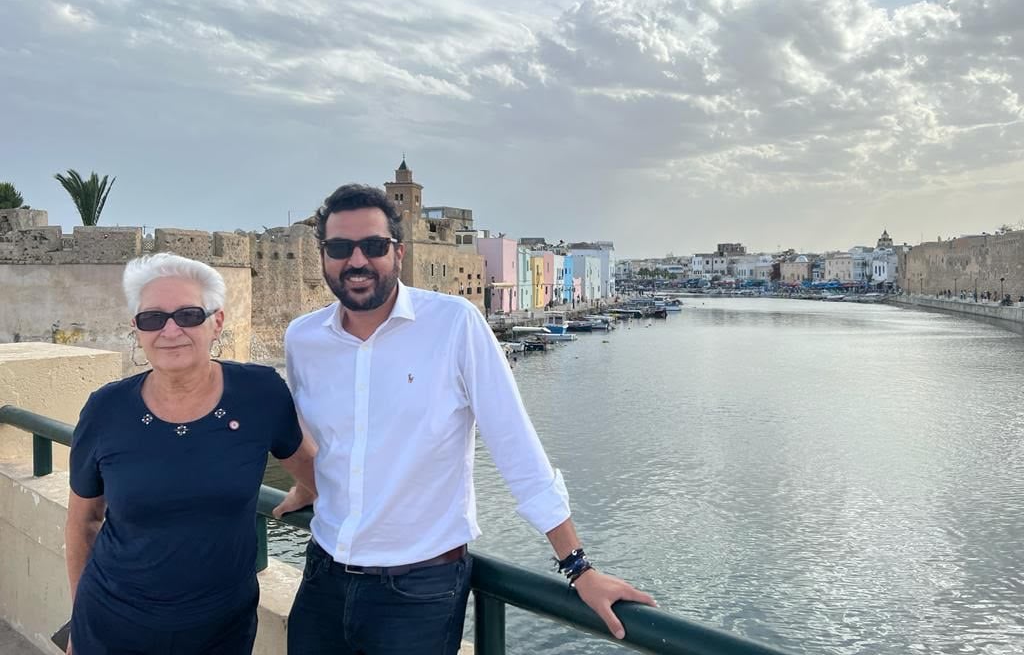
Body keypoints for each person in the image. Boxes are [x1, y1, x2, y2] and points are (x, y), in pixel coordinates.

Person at [278, 184, 655, 655]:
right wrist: (311, 488)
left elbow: (515, 446)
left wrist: (578, 566)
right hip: (324, 574)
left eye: (373, 246)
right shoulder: (304, 339)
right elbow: (322, 435)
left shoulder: (454, 323)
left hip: (418, 589)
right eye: (340, 248)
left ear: (397, 252)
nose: (357, 261)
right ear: (323, 256)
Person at [65, 253, 317, 655]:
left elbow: (313, 467)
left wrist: (306, 489)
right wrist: (79, 624)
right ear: (136, 329)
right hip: (112, 625)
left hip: (221, 630)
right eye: (152, 319)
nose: (170, 331)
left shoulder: (259, 393)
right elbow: (83, 523)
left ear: (216, 322)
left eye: (188, 315)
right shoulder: (105, 409)